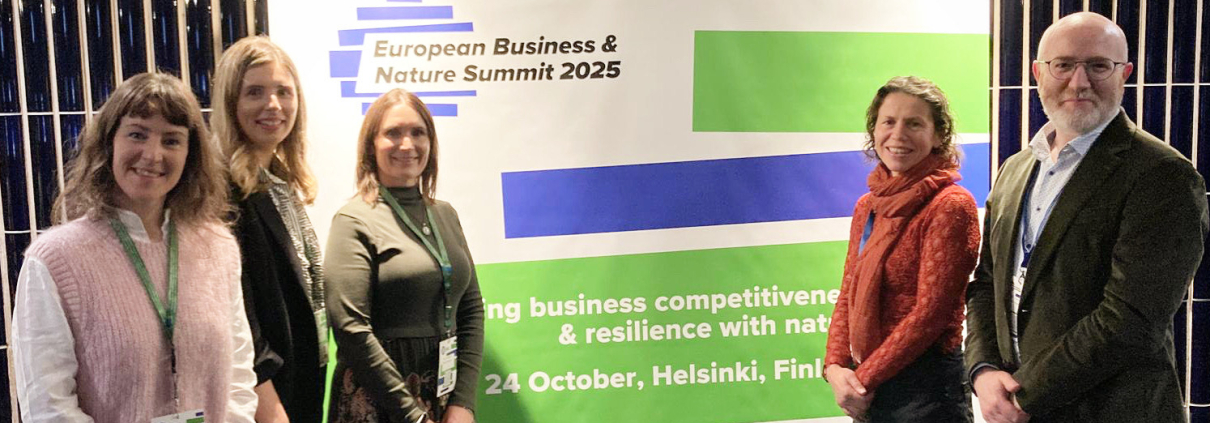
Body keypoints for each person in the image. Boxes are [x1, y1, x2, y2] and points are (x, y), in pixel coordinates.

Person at [966, 12, 1208, 423]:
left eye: (1098, 66)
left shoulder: (1163, 175)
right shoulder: (1014, 169)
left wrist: (1026, 396)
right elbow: (987, 283)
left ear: (1125, 74)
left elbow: (1131, 320)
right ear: (1038, 73)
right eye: (1063, 65)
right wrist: (983, 370)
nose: (1079, 82)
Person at [11, 72, 257, 422]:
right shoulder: (54, 261)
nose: (153, 155)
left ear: (190, 154)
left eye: (171, 140)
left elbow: (239, 377)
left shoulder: (217, 247)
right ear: (109, 142)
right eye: (138, 134)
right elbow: (48, 407)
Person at [823, 76, 979, 422]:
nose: (898, 135)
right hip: (873, 387)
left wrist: (861, 383)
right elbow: (848, 290)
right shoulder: (868, 205)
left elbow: (930, 315)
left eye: (914, 124)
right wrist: (834, 367)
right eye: (888, 122)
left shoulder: (950, 205)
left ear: (938, 135)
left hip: (926, 393)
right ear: (874, 130)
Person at [326, 88, 484, 423]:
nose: (407, 144)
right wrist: (413, 416)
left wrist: (463, 402)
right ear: (371, 145)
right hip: (378, 401)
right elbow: (350, 329)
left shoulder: (445, 214)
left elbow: (471, 310)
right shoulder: (353, 220)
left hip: (442, 397)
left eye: (418, 132)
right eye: (393, 133)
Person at [214, 35, 328, 423]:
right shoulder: (220, 190)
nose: (273, 105)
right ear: (230, 102)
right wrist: (271, 410)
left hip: (299, 383)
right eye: (255, 92)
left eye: (283, 91)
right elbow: (237, 318)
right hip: (264, 400)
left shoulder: (279, 181)